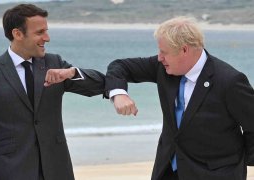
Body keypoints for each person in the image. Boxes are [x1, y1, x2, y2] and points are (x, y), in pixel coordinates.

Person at [0, 4, 104, 180]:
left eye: (46, 31)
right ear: (17, 34)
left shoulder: (55, 63)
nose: (47, 38)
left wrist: (72, 72)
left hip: (57, 171)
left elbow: (100, 85)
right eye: (40, 32)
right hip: (9, 172)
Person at [105, 16, 254, 180]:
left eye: (164, 52)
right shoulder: (162, 67)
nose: (159, 57)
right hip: (168, 171)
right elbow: (119, 66)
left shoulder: (229, 81)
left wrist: (236, 167)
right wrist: (119, 93)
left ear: (184, 50)